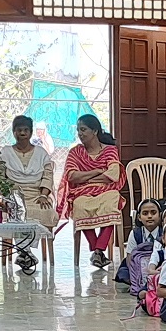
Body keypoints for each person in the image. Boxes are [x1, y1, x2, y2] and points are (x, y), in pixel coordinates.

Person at [56, 114, 123, 268]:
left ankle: (98, 251)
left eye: (83, 129)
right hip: (82, 191)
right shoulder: (75, 152)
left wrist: (86, 178)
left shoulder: (110, 150)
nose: (80, 133)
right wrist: (97, 171)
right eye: (78, 130)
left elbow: (114, 174)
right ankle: (98, 251)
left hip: (106, 190)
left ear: (95, 131)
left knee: (112, 201)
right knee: (80, 205)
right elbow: (72, 176)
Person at [0, 115, 54, 273]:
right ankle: (25, 252)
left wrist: (44, 194)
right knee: (17, 211)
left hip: (37, 194)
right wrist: (8, 195)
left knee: (39, 211)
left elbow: (48, 176)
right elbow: (0, 177)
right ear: (13, 132)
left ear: (31, 132)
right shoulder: (5, 152)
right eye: (19, 130)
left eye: (26, 130)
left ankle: (23, 252)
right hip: (13, 194)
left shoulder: (41, 153)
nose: (22, 133)